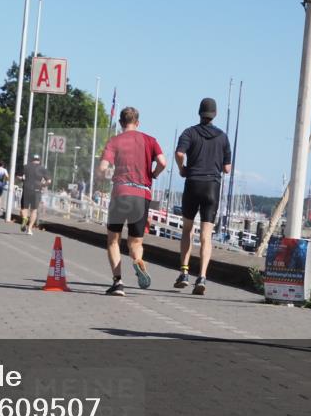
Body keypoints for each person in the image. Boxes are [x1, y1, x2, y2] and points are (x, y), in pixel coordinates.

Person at [97, 107, 166, 296]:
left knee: (113, 239)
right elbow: (163, 162)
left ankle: (118, 282)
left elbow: (102, 168)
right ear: (138, 122)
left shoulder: (115, 141)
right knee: (135, 242)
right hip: (142, 195)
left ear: (121, 123)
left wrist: (102, 177)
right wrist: (153, 174)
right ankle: (137, 261)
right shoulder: (150, 140)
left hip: (121, 192)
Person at [174, 98, 232, 295]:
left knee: (187, 230)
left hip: (193, 183)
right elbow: (227, 168)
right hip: (212, 187)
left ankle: (184, 273)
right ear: (215, 114)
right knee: (206, 235)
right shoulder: (223, 137)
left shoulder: (189, 132)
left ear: (199, 113)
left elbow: (179, 153)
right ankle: (203, 277)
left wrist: (183, 169)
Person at [20, 154, 49, 235]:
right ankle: (29, 229)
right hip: (37, 190)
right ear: (39, 160)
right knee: (34, 210)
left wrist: (23, 179)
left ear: (31, 160)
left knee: (24, 208)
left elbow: (19, 176)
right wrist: (43, 185)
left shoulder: (26, 166)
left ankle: (25, 218)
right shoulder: (43, 168)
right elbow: (49, 181)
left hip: (26, 188)